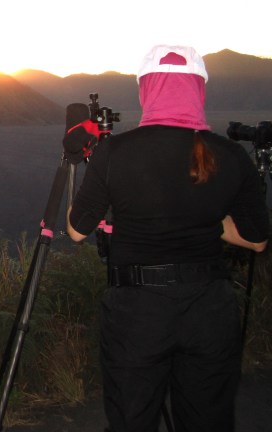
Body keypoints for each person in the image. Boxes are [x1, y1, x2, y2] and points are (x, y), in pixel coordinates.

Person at [66, 45, 269, 432]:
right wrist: (206, 220)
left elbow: (77, 229)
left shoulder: (116, 151)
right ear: (198, 90)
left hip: (137, 314)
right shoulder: (229, 154)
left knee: (132, 420)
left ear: (147, 89)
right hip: (209, 309)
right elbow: (256, 240)